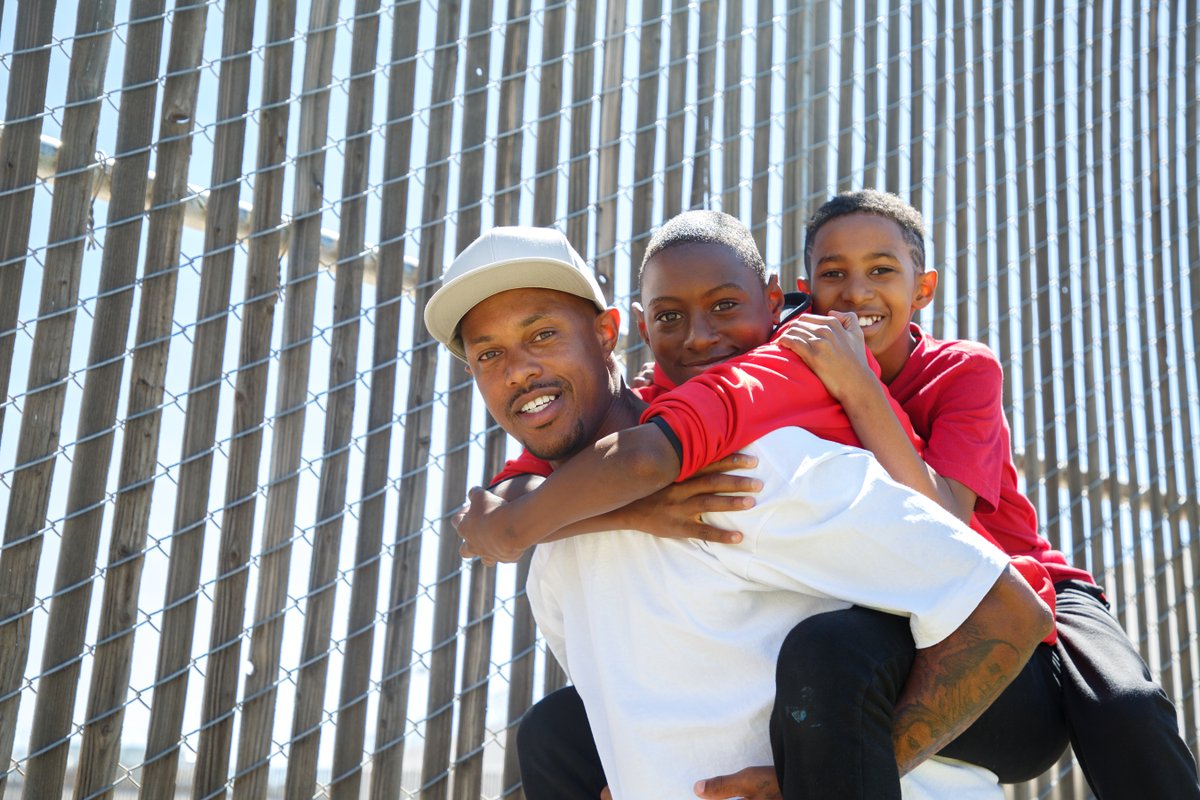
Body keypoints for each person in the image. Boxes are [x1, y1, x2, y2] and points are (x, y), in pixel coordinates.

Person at [424, 224, 1053, 799]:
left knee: (829, 649)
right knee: (551, 733)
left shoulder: (752, 471)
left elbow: (1008, 609)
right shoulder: (554, 558)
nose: (520, 371)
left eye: (542, 335)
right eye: (488, 355)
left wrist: (811, 782)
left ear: (610, 333)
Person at [775, 189, 1200, 798]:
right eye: (833, 273)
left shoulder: (964, 370)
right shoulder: (795, 360)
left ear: (923, 289)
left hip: (1032, 584)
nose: (857, 291)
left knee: (1128, 707)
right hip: (913, 600)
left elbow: (943, 518)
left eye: (881, 270)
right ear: (805, 287)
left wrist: (857, 385)